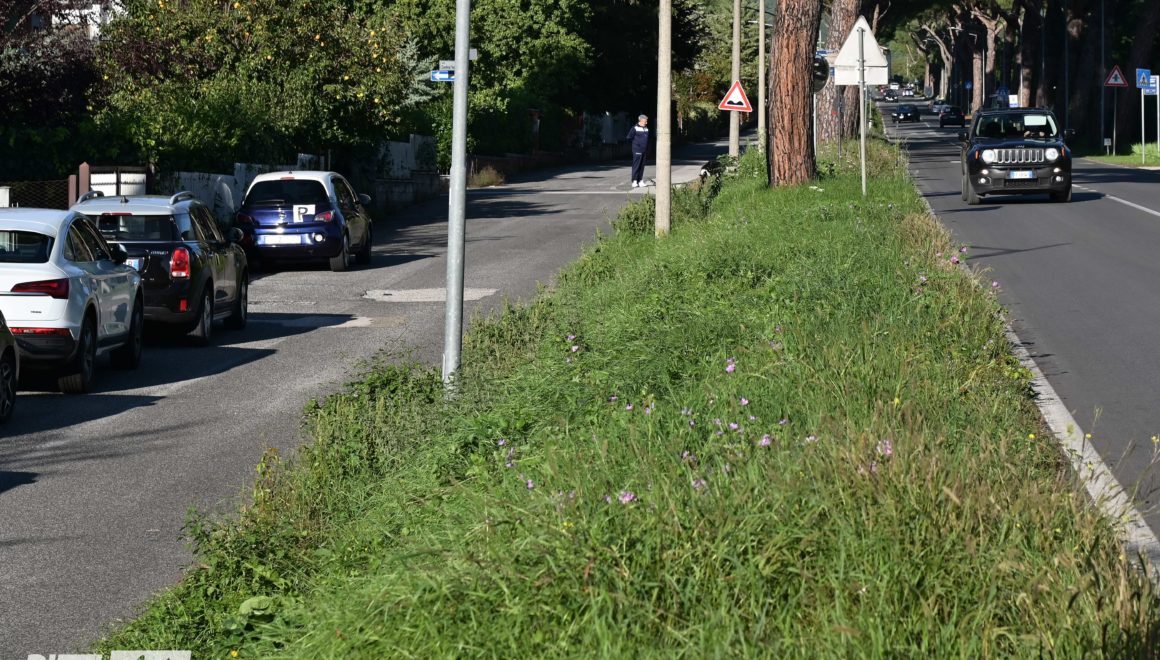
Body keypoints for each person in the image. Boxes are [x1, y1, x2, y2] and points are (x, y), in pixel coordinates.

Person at [626, 114, 649, 188]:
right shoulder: (635, 128)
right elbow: (629, 137)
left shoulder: (646, 129)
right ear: (641, 120)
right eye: (645, 121)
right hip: (637, 150)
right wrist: (636, 145)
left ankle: (640, 181)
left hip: (644, 150)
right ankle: (634, 181)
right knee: (636, 166)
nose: (646, 123)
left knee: (642, 166)